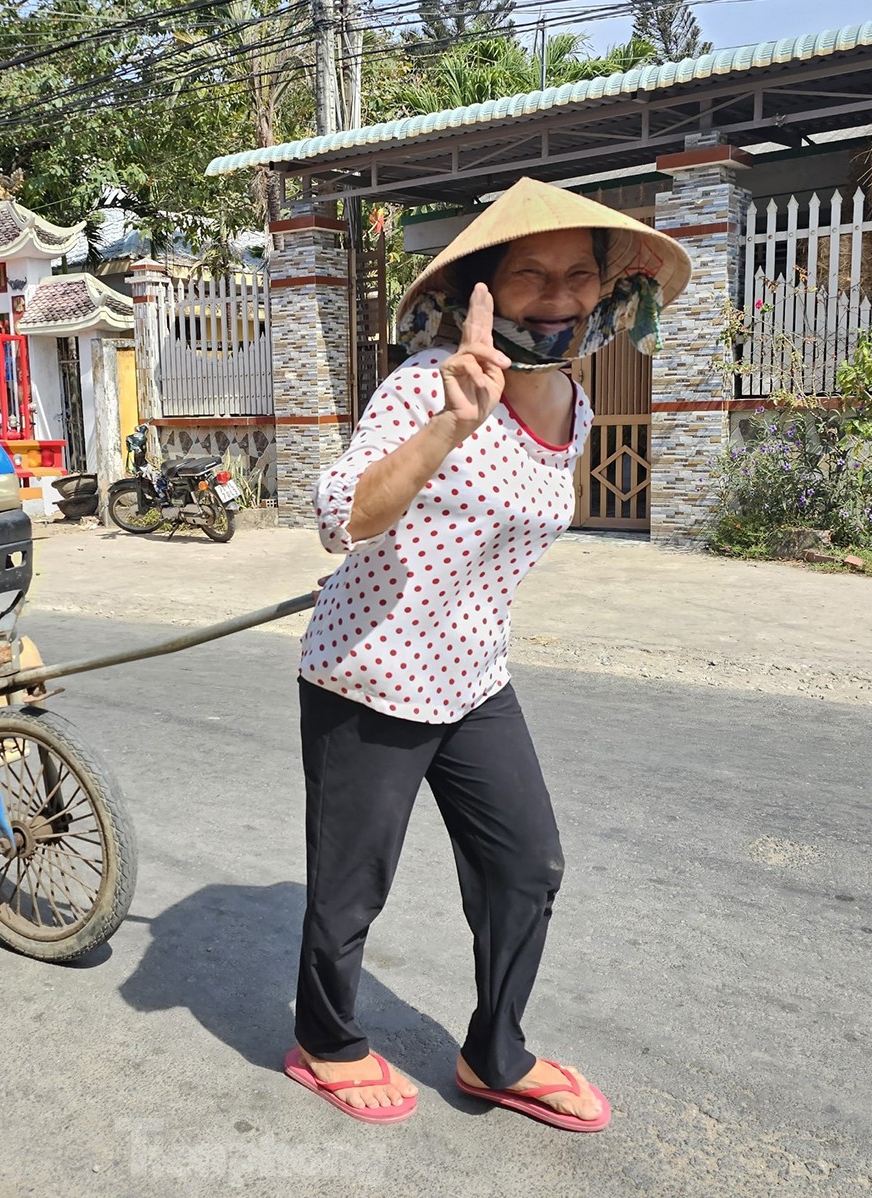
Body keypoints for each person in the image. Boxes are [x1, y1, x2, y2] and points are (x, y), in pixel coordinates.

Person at [283, 178, 692, 1130]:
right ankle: (326, 1039)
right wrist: (451, 425)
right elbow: (340, 517)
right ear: (485, 290)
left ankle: (494, 1053)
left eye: (577, 276)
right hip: (370, 674)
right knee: (352, 889)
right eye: (530, 274)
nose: (556, 296)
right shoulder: (428, 384)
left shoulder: (575, 406)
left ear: (606, 291)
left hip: (472, 676)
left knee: (527, 867)